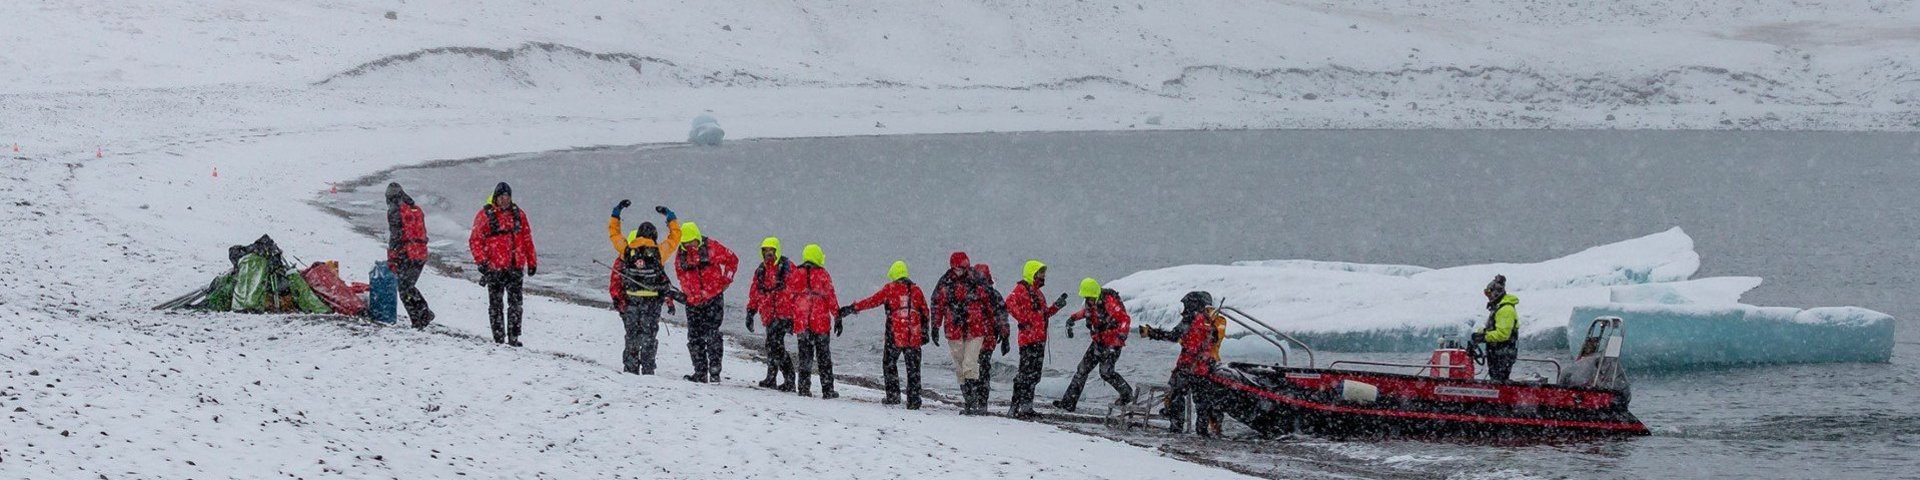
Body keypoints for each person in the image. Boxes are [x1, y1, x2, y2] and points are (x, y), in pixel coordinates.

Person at [842, 260, 932, 409]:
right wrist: (926, 331)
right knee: (914, 369)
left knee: (889, 364)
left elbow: (872, 301)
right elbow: (925, 312)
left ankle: (893, 396)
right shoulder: (916, 290)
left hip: (895, 335)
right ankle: (914, 400)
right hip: (913, 336)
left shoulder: (890, 289)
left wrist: (852, 308)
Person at [606, 200, 682, 375]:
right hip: (652, 303)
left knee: (632, 336)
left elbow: (614, 234)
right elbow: (675, 236)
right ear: (653, 236)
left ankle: (630, 368)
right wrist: (670, 217)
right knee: (648, 337)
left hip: (631, 301)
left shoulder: (626, 250)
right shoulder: (659, 252)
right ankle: (648, 369)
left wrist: (616, 213)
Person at [1139, 291, 1223, 435]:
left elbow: (1173, 336)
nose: (1183, 310)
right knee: (1202, 402)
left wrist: (1152, 333)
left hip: (1188, 367)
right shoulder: (1210, 321)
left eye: (1185, 305)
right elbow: (1214, 341)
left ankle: (1176, 429)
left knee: (1176, 396)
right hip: (1204, 368)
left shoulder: (1190, 319)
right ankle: (1203, 433)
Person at [468, 182, 537, 346]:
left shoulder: (519, 214)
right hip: (494, 268)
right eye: (501, 197)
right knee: (496, 304)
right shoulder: (485, 215)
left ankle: (514, 337)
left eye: (507, 196)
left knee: (516, 305)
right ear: (496, 198)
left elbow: (527, 239)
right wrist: (482, 262)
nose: (504, 200)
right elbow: (475, 240)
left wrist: (532, 261)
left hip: (515, 267)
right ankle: (499, 338)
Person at [1053, 278, 1134, 412]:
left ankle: (1126, 394)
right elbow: (1086, 313)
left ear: (1095, 294)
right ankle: (1068, 404)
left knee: (1106, 372)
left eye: (1089, 297)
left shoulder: (1109, 302)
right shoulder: (1092, 304)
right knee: (1082, 370)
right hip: (1098, 341)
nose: (1087, 300)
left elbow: (1124, 319)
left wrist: (1120, 337)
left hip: (1112, 343)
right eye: (1086, 297)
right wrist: (1072, 318)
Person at [673, 220, 739, 383]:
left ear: (698, 238)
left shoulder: (712, 247)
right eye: (686, 243)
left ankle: (715, 372)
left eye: (692, 243)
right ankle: (700, 372)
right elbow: (680, 274)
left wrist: (726, 281)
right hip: (693, 302)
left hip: (713, 298)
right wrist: (688, 293)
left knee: (712, 335)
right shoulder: (681, 255)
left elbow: (733, 260)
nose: (690, 246)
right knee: (694, 338)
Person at [1005, 260, 1069, 418]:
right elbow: (1008, 303)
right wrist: (1023, 319)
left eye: (1043, 273)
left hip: (1039, 340)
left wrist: (1056, 307)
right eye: (1041, 273)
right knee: (1024, 374)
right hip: (1028, 340)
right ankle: (1014, 407)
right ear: (1032, 273)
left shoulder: (1039, 294)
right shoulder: (1021, 289)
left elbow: (1044, 314)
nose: (1043, 276)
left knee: (1034, 375)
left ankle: (1027, 407)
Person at [930, 252, 991, 415]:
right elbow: (937, 304)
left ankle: (973, 403)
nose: (959, 271)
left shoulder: (976, 280)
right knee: (960, 368)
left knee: (969, 365)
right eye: (957, 268)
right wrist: (935, 326)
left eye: (962, 268)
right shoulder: (945, 282)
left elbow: (989, 303)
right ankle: (969, 402)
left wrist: (999, 330)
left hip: (975, 329)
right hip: (954, 330)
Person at [786, 244, 840, 398]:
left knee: (805, 358)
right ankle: (827, 390)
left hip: (802, 323)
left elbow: (789, 298)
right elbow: (831, 297)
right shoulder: (823, 275)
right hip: (820, 323)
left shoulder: (796, 274)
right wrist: (837, 316)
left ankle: (803, 388)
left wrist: (790, 319)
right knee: (824, 358)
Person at [747, 236, 796, 391]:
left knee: (776, 346)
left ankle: (788, 379)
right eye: (765, 250)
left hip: (784, 314)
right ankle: (772, 377)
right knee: (771, 346)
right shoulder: (761, 270)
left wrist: (796, 316)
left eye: (771, 250)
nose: (768, 253)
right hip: (769, 314)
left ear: (777, 251)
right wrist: (750, 311)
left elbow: (798, 291)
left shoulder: (788, 268)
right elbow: (754, 292)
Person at [384, 182, 435, 329]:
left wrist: (392, 256)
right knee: (408, 286)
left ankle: (420, 316)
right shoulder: (414, 208)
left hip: (407, 253)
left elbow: (396, 236)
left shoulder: (395, 210)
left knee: (404, 288)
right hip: (420, 252)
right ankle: (422, 315)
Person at [972, 263, 1010, 411]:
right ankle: (982, 404)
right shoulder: (994, 295)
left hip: (973, 339)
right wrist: (1005, 337)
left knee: (972, 369)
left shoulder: (969, 293)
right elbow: (1002, 317)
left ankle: (973, 401)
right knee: (984, 369)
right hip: (988, 339)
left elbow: (960, 316)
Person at [1475, 274, 1519, 382]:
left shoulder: (1505, 310)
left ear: (1496, 293)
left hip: (1503, 355)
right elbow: (1494, 329)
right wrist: (1481, 333)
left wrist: (1485, 337)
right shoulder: (1498, 309)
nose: (1488, 297)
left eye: (1489, 294)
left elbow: (1503, 334)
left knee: (1500, 379)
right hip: (1497, 354)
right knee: (1496, 378)